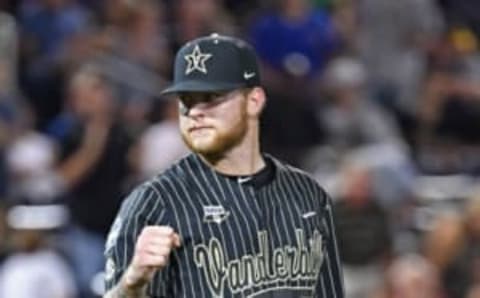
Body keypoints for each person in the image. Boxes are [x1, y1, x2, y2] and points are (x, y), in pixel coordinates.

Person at [104, 33, 344, 298]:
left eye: (211, 97)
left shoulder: (307, 194)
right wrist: (132, 284)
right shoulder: (153, 203)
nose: (194, 112)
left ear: (254, 100)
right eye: (186, 100)